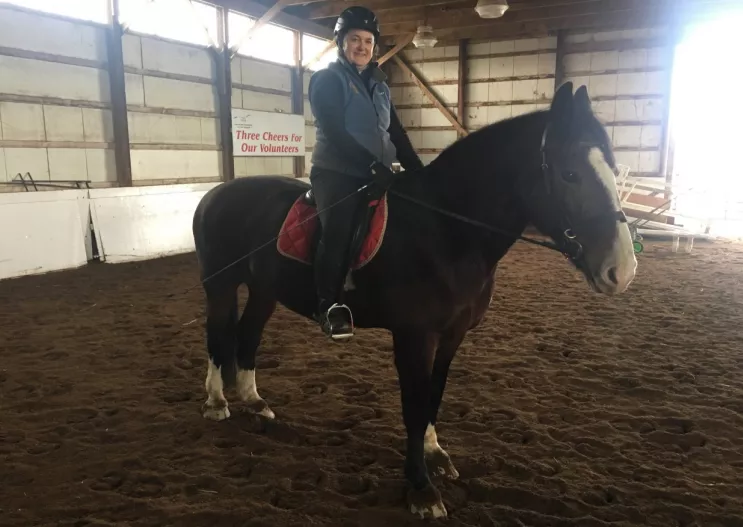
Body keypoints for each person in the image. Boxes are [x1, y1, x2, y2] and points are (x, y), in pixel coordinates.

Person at [308, 5, 424, 340]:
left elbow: (396, 133)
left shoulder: (380, 85)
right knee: (339, 230)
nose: (362, 46)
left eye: (368, 41)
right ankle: (328, 305)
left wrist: (418, 169)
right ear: (341, 43)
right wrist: (370, 166)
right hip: (336, 171)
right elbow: (334, 130)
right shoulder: (327, 79)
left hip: (378, 172)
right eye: (354, 39)